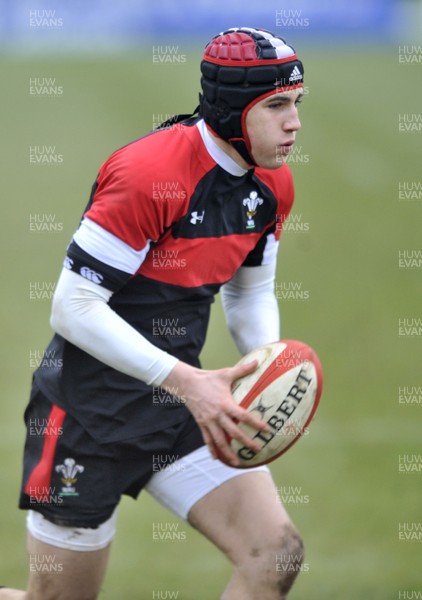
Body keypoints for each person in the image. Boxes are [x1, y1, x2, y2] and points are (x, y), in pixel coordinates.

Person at [2, 27, 306, 600]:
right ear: (234, 109)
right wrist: (190, 383)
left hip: (182, 411)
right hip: (87, 418)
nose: (294, 123)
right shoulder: (149, 175)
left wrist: (270, 366)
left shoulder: (272, 185)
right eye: (277, 106)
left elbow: (248, 292)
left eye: (297, 104)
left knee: (276, 555)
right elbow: (73, 307)